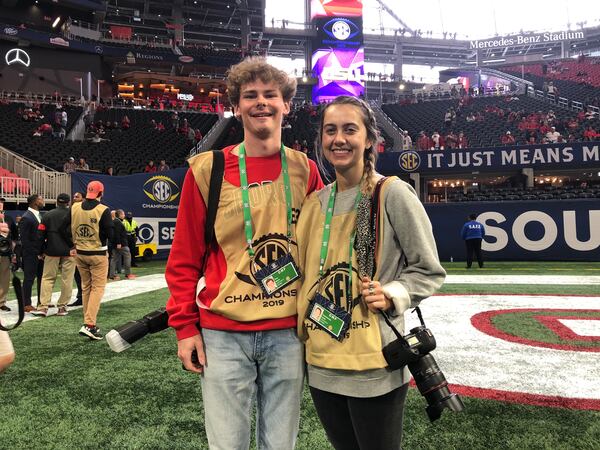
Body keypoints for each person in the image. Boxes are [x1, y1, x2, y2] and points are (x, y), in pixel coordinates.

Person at [165, 56, 323, 450]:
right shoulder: (206, 169)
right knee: (226, 445)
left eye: (271, 94)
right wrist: (185, 329)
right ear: (236, 107)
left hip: (288, 331)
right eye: (250, 95)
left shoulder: (306, 170)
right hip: (222, 333)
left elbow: (321, 251)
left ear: (287, 104)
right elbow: (184, 257)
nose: (261, 102)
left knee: (280, 445)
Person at [295, 96, 446, 450]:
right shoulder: (315, 203)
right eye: (330, 131)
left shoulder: (390, 193)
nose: (339, 139)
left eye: (350, 129)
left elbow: (428, 269)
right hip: (321, 364)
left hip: (374, 366)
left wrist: (394, 293)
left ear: (369, 140)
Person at [68, 181, 113, 340]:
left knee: (86, 287)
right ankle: (89, 324)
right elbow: (109, 233)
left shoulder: (74, 206)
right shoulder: (103, 210)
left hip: (80, 252)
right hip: (98, 253)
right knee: (97, 288)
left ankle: (88, 322)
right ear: (101, 193)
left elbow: (68, 227)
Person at [31, 193, 75, 317]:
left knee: (47, 278)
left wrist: (40, 251)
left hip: (52, 251)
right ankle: (62, 307)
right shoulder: (73, 214)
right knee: (67, 279)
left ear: (56, 202)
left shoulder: (47, 215)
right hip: (70, 251)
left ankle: (43, 307)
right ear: (68, 202)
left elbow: (40, 235)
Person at [19, 194, 45, 313]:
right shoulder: (26, 217)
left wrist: (42, 252)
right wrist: (36, 253)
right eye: (40, 199)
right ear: (35, 202)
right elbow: (25, 240)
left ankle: (41, 301)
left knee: (42, 278)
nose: (43, 201)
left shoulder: (39, 215)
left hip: (40, 254)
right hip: (31, 254)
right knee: (29, 279)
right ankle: (26, 304)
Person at [109, 210, 135, 280]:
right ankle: (128, 274)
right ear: (120, 215)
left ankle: (112, 275)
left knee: (114, 259)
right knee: (127, 257)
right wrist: (118, 243)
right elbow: (117, 234)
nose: (124, 215)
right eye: (123, 214)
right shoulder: (117, 222)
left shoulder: (116, 221)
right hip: (122, 244)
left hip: (117, 244)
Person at [70, 192, 84, 306]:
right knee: (77, 273)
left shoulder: (80, 210)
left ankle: (82, 297)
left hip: (82, 246)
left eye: (77, 196)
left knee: (80, 273)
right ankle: (81, 296)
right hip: (76, 245)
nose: (74, 198)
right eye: (74, 197)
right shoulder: (73, 209)